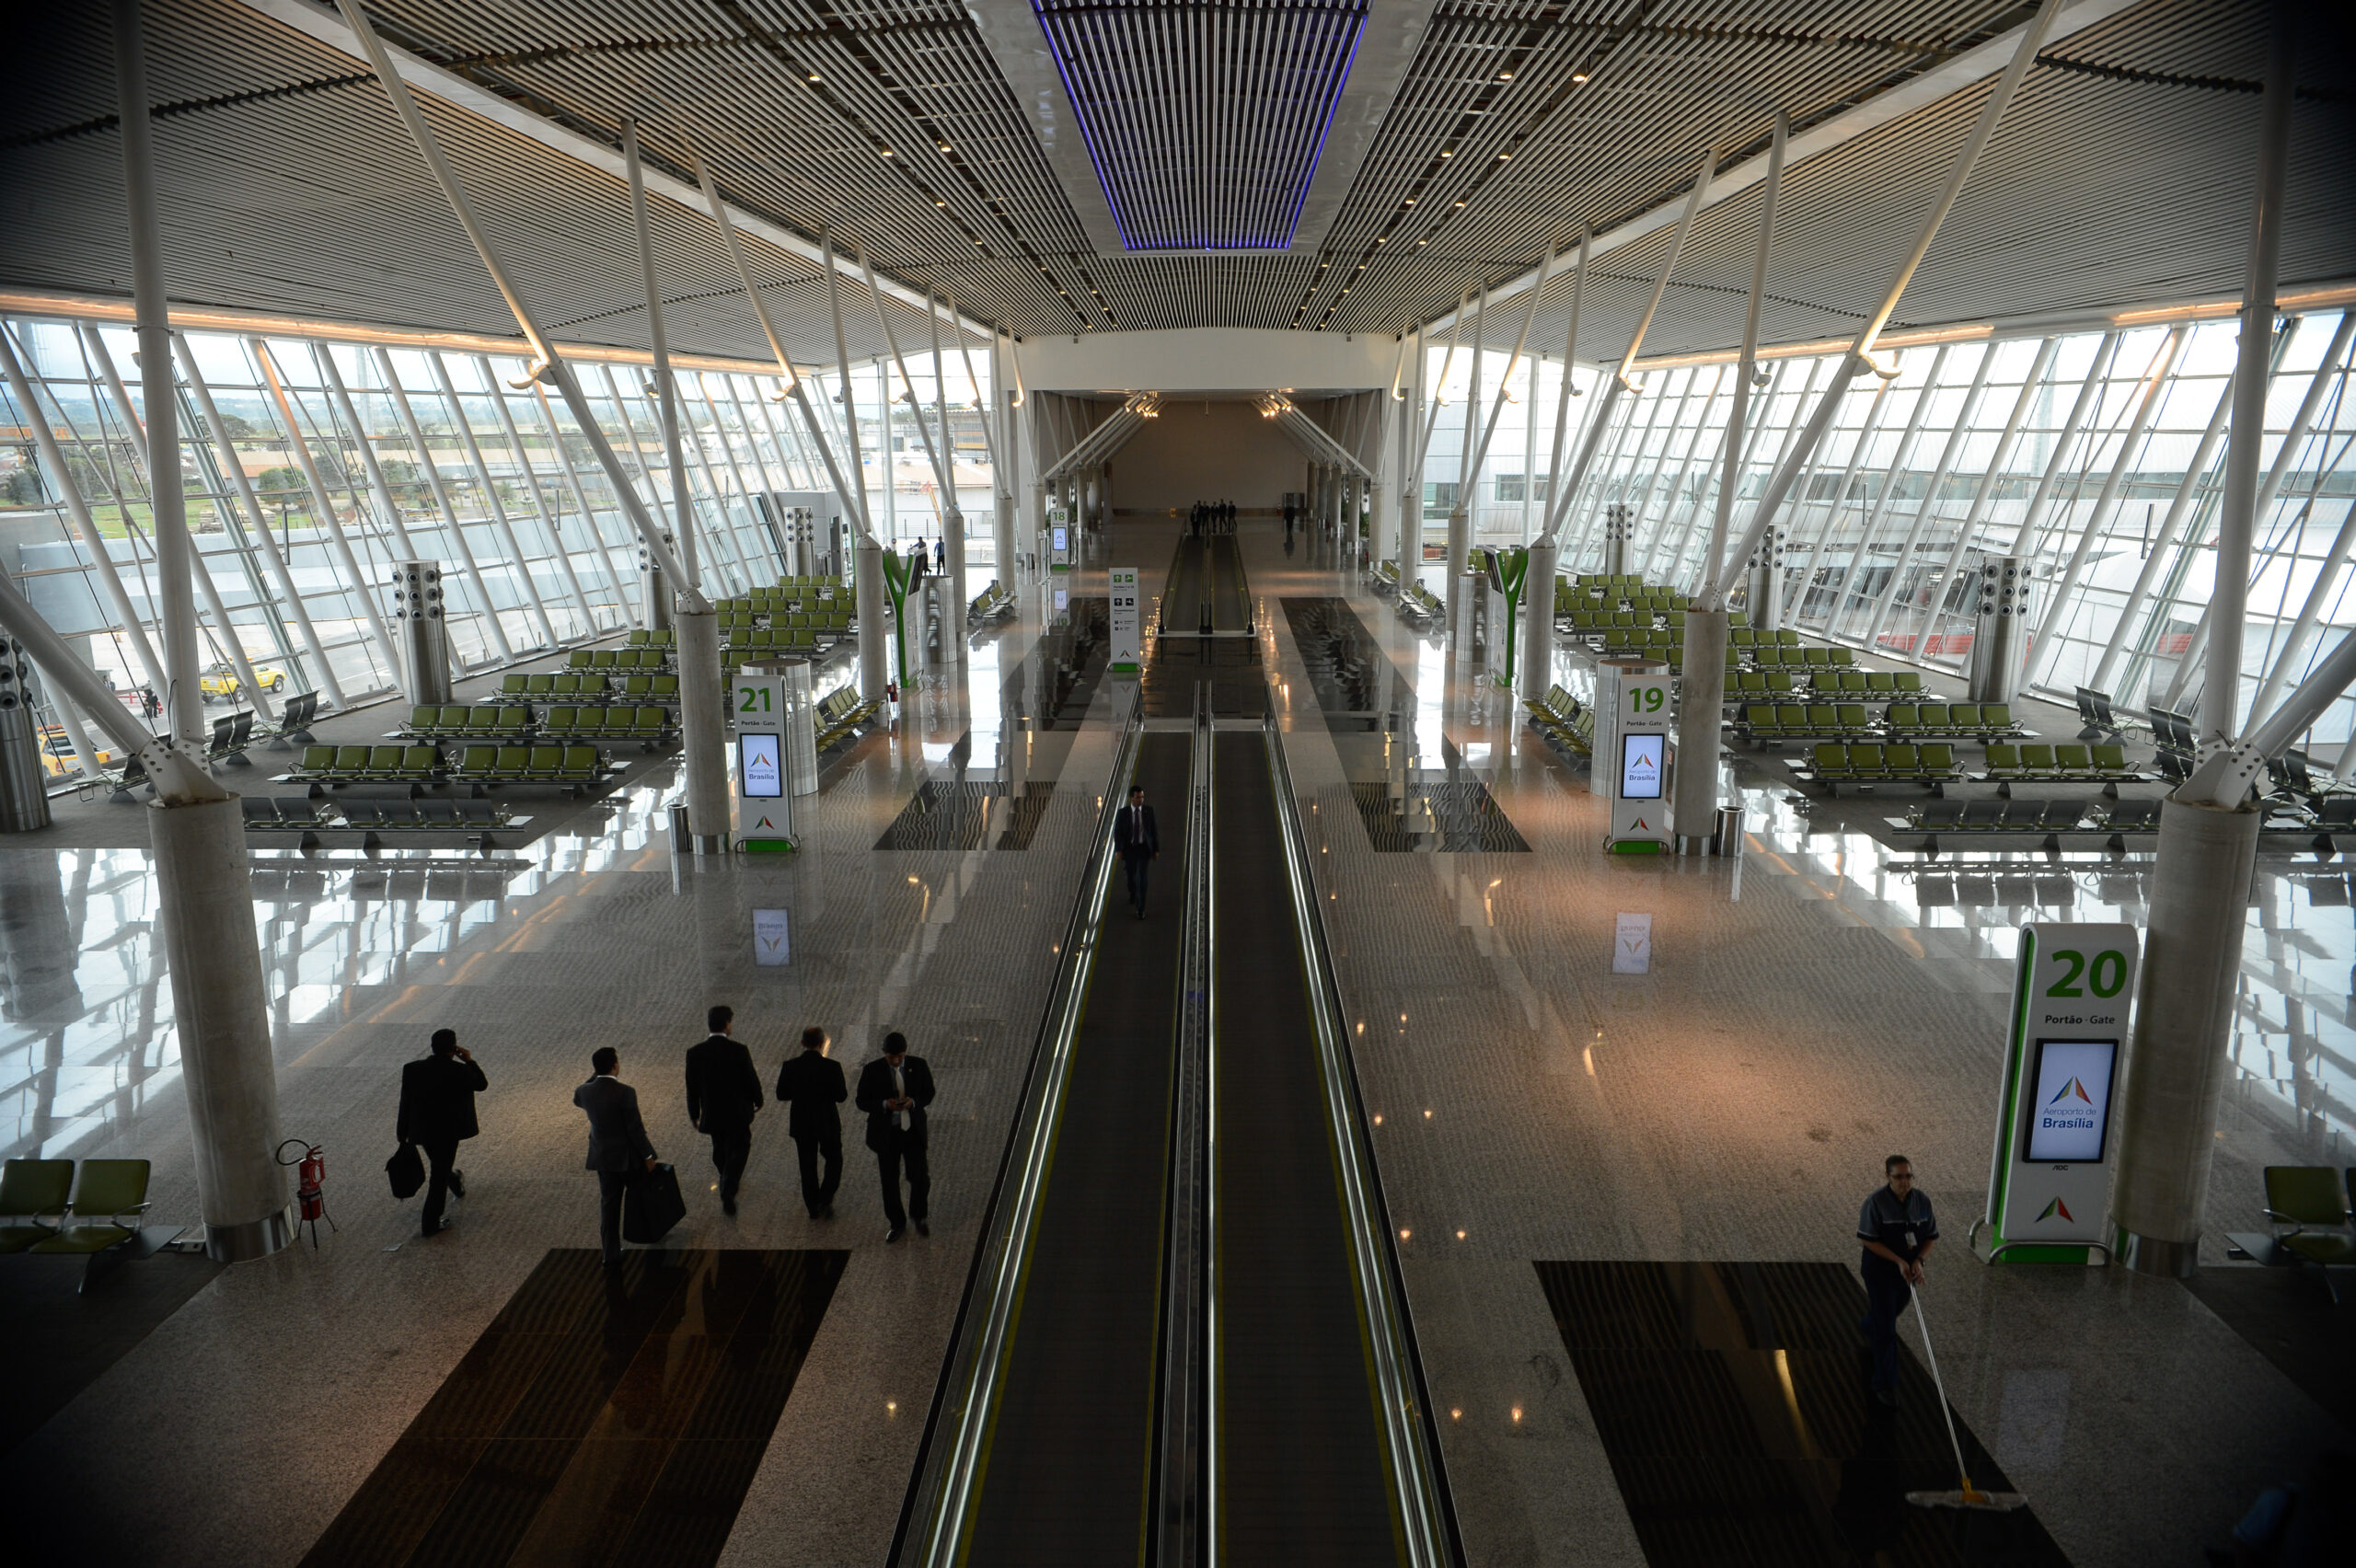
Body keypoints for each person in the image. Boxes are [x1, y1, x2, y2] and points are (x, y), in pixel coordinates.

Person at [1855, 1154, 1937, 1406]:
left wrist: (1918, 1261)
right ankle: (1884, 1384)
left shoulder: (1922, 1201)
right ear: (1887, 1177)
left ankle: (1868, 1325)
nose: (1905, 1181)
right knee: (1887, 1330)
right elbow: (1868, 1240)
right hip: (1880, 1271)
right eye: (1899, 1177)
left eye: (1908, 1176)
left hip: (1907, 1272)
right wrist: (1898, 1261)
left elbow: (1930, 1236)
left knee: (1890, 1313)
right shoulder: (1875, 1203)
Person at [395, 1028, 487, 1237]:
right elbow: (482, 1084)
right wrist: (469, 1061)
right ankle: (430, 1223)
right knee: (438, 1173)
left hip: (422, 1130)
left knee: (440, 1164)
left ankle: (454, 1182)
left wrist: (402, 1131)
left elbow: (405, 1102)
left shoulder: (412, 1069)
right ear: (453, 1049)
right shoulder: (460, 1071)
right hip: (448, 1131)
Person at [575, 1046, 657, 1268]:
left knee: (609, 1207)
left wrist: (595, 1075)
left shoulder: (584, 1091)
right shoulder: (625, 1092)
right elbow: (635, 1129)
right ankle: (650, 1235)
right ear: (615, 1065)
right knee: (642, 1196)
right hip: (629, 1158)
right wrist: (648, 1155)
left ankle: (610, 1254)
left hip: (603, 1159)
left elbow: (577, 1098)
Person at [856, 1031, 935, 1241]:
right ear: (884, 1053)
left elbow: (929, 1092)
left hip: (912, 1132)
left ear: (905, 1052)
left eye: (900, 1056)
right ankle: (896, 1223)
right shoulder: (872, 1071)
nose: (897, 1060)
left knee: (920, 1177)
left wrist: (914, 1102)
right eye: (892, 1057)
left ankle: (919, 1216)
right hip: (886, 1134)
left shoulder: (918, 1065)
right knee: (889, 1181)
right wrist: (884, 1105)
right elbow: (861, 1101)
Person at [684, 1004, 762, 1216]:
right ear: (727, 1024)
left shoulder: (695, 1053)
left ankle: (725, 1175)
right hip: (737, 1112)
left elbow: (692, 1087)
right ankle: (728, 1186)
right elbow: (750, 1078)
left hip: (713, 1112)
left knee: (719, 1148)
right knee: (741, 1147)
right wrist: (759, 1099)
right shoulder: (739, 1050)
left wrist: (694, 1113)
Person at [775, 1025, 848, 1218]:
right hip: (827, 1122)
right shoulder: (832, 1067)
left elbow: (781, 1094)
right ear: (822, 1043)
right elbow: (841, 1096)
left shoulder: (790, 1066)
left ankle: (812, 1206)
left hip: (802, 1123)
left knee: (807, 1166)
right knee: (834, 1160)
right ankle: (825, 1198)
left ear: (802, 1043)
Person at [1114, 783, 1159, 919]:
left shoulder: (1149, 811)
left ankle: (1141, 909)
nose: (1141, 800)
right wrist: (1118, 850)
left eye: (1142, 797)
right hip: (1129, 850)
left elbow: (1153, 831)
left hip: (1143, 849)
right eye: (1138, 798)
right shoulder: (1123, 813)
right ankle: (1133, 892)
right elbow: (1118, 833)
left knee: (1142, 878)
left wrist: (1155, 849)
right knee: (1130, 876)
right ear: (1131, 799)